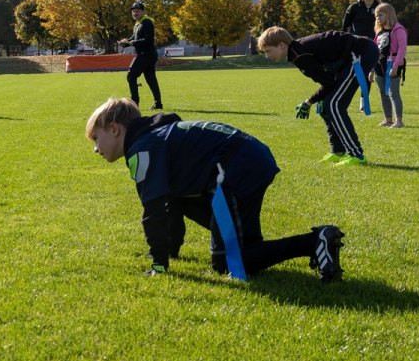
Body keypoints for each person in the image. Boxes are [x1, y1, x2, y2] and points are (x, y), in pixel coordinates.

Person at [85, 98, 344, 282]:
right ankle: (314, 244)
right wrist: (171, 251)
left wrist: (159, 264)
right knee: (245, 248)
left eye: (96, 139)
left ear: (115, 129)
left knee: (228, 263)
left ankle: (314, 241)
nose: (96, 149)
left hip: (237, 170)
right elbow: (169, 203)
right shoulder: (153, 136)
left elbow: (153, 211)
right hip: (247, 162)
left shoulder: (142, 149)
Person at [257, 26, 379, 166]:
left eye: (268, 51)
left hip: (362, 53)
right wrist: (312, 101)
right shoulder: (297, 52)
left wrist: (308, 102)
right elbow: (328, 80)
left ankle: (356, 154)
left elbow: (328, 82)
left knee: (334, 105)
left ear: (281, 45)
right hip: (354, 55)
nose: (267, 56)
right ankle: (338, 151)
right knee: (324, 106)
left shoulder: (299, 54)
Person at [118, 0, 162, 110]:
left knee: (131, 75)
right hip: (147, 55)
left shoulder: (147, 22)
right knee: (150, 79)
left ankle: (134, 103)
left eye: (137, 11)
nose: (135, 13)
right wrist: (125, 43)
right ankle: (158, 104)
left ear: (143, 11)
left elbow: (148, 40)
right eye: (133, 12)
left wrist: (132, 43)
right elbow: (134, 38)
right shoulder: (138, 23)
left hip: (146, 55)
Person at [373, 3, 408, 128]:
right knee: (383, 93)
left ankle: (399, 121)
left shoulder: (398, 30)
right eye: (376, 16)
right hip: (379, 65)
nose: (378, 18)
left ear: (389, 15)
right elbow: (374, 49)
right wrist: (372, 69)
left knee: (393, 93)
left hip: (392, 64)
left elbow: (402, 49)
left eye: (380, 15)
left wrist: (396, 66)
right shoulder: (379, 32)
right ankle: (388, 119)